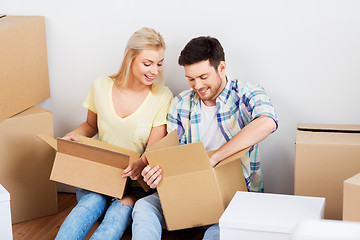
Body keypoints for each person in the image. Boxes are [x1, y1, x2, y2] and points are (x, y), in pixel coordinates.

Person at [131, 36, 278, 240]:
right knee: (144, 207)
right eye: (191, 79)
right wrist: (156, 176)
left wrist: (214, 158)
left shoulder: (247, 92)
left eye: (203, 76)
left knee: (218, 233)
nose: (197, 85)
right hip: (189, 192)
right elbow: (172, 156)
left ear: (221, 68)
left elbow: (268, 122)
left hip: (234, 199)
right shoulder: (181, 104)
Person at [55, 27, 173, 240]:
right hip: (100, 178)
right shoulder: (101, 86)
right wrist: (71, 137)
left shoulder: (162, 96)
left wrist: (139, 164)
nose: (155, 70)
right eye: (148, 63)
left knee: (118, 213)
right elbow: (91, 126)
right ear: (130, 59)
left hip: (135, 188)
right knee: (91, 203)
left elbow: (153, 149)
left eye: (159, 63)